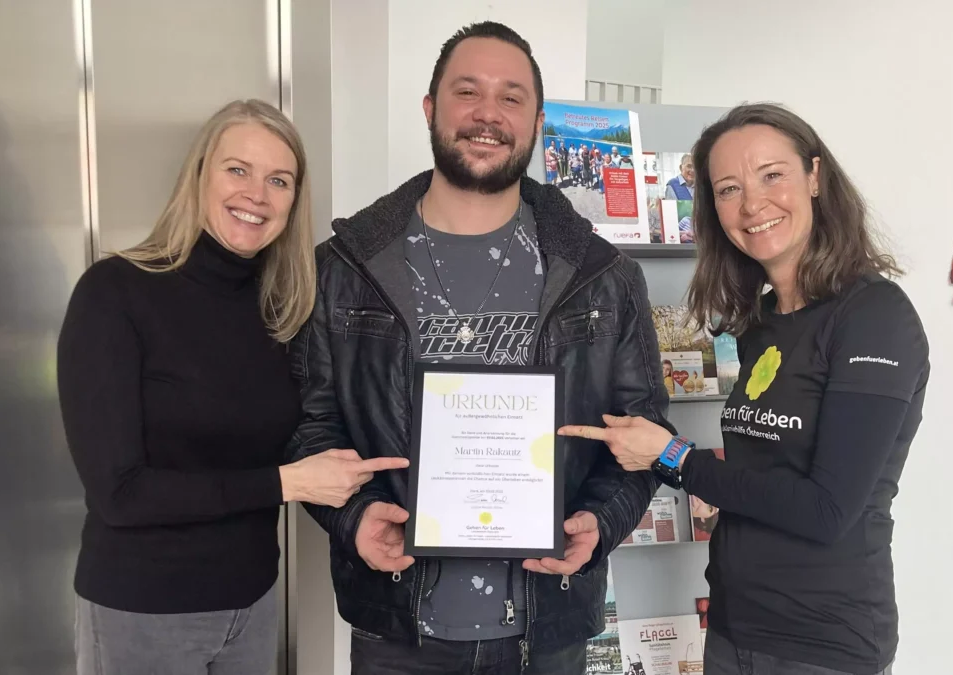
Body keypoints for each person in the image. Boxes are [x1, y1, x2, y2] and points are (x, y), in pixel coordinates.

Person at [287, 21, 671, 675]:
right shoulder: (343, 269)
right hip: (396, 634)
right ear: (432, 108)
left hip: (545, 630)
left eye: (511, 96)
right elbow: (309, 426)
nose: (487, 113)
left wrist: (598, 524)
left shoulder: (602, 276)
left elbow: (643, 434)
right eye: (468, 91)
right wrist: (353, 519)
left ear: (537, 120)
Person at [559, 103, 929, 675]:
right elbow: (762, 475)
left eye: (772, 175)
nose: (752, 204)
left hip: (823, 642)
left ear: (815, 176)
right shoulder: (762, 321)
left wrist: (672, 456)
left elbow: (827, 509)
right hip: (733, 625)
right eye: (728, 188)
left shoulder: (874, 316)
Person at [57, 99, 408, 675]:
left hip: (253, 604)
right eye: (237, 170)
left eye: (279, 180)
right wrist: (287, 483)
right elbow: (120, 494)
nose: (257, 195)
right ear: (199, 174)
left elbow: (308, 433)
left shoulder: (282, 312)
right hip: (144, 609)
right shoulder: (114, 294)